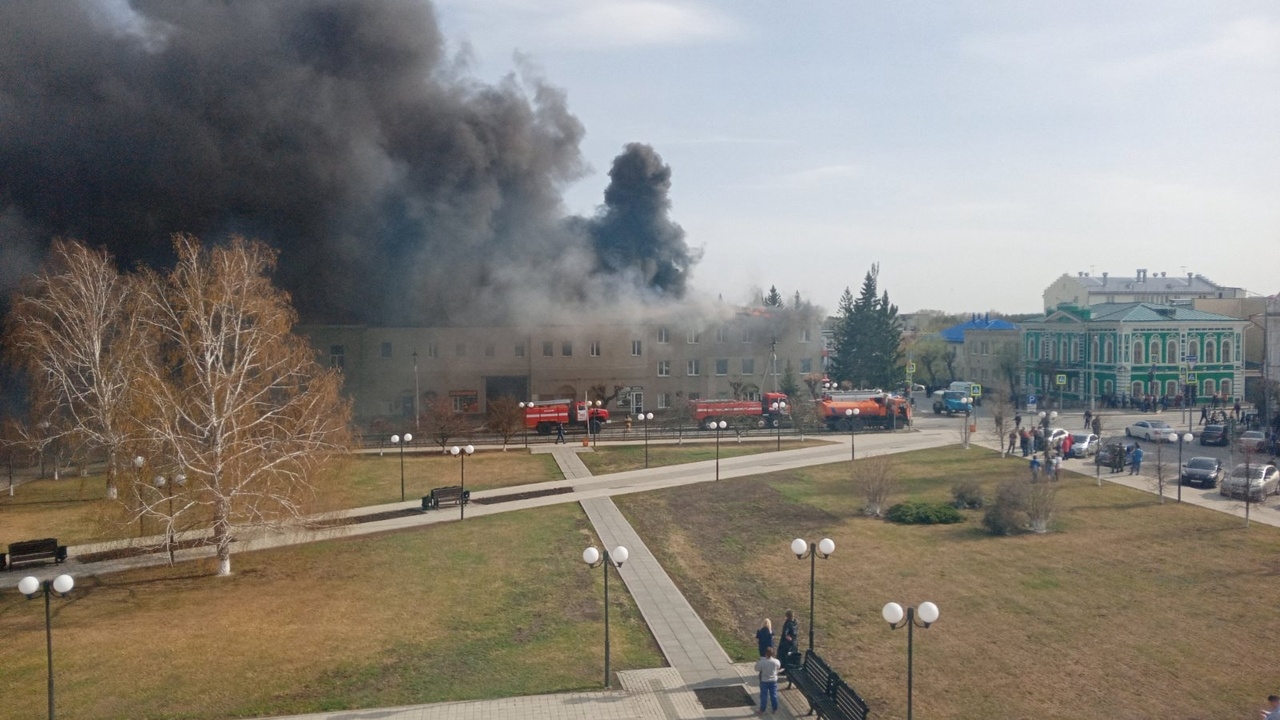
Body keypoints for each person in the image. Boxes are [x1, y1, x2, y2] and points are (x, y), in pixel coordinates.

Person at [755, 647, 782, 714]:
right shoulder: (776, 661)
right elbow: (778, 667)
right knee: (774, 695)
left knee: (764, 695)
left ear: (765, 654)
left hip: (764, 680)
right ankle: (775, 709)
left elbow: (756, 668)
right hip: (773, 680)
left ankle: (762, 709)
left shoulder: (762, 662)